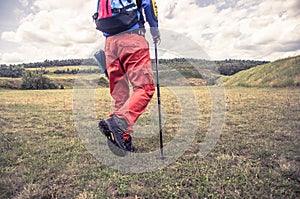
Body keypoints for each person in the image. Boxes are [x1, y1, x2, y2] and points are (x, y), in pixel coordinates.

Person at [95, 0, 160, 153]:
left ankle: (123, 141)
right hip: (132, 39)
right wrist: (155, 32)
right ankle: (119, 122)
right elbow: (149, 5)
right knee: (145, 88)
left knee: (120, 95)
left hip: (110, 44)